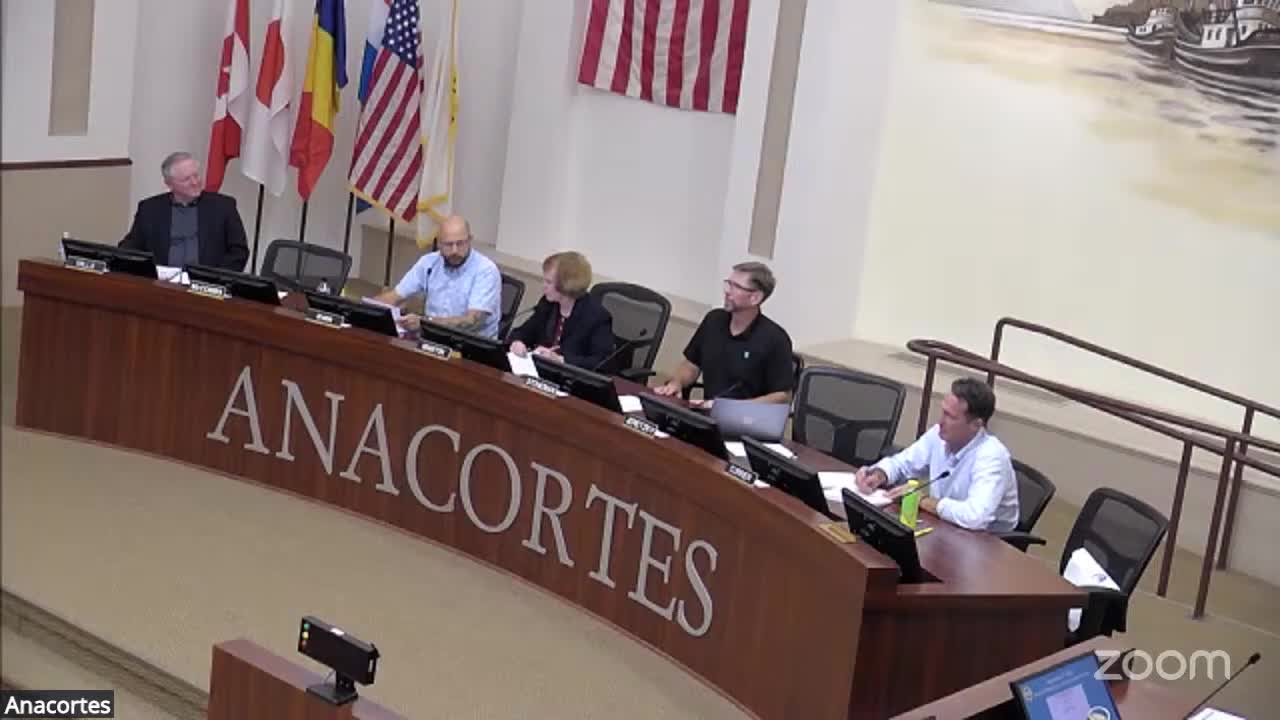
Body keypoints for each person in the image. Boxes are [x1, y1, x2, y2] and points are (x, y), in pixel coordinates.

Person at [854, 378, 1019, 532]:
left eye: (950, 416)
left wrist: (921, 500)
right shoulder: (938, 435)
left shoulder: (992, 457)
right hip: (947, 528)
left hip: (988, 543)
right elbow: (902, 464)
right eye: (943, 412)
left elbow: (975, 517)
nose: (940, 422)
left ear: (976, 425)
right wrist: (879, 474)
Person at [654, 262, 794, 407]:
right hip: (707, 412)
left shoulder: (775, 339)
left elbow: (782, 396)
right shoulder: (714, 320)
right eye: (728, 284)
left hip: (745, 418)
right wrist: (677, 382)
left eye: (736, 287)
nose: (727, 291)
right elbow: (692, 364)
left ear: (755, 298)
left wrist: (732, 408)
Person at [374, 215, 502, 339]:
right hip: (431, 337)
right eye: (448, 244)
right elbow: (394, 296)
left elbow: (472, 321)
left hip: (470, 345)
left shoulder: (486, 270)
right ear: (439, 243)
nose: (455, 251)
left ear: (470, 240)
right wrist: (368, 309)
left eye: (460, 243)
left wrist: (425, 322)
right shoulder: (429, 262)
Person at [120, 151, 249, 271]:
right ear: (169, 184)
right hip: (162, 282)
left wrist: (216, 278)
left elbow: (239, 251)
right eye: (186, 179)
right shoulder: (150, 209)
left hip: (205, 282)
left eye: (196, 175)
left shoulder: (223, 206)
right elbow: (131, 247)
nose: (195, 182)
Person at [508, 251, 615, 370]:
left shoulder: (596, 316)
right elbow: (523, 332)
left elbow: (600, 363)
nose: (543, 286)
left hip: (570, 378)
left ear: (567, 284)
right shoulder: (548, 304)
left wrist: (560, 360)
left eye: (549, 282)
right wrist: (517, 342)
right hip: (539, 372)